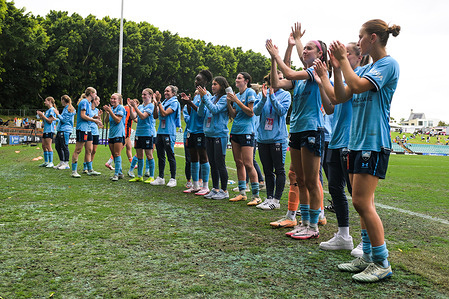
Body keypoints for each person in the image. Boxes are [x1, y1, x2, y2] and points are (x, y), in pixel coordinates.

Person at [329, 19, 400, 282]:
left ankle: (382, 262)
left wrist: (344, 62)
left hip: (373, 142)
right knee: (362, 204)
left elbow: (357, 87)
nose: (357, 42)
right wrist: (337, 68)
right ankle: (368, 257)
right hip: (358, 142)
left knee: (361, 201)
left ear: (372, 38)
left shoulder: (388, 65)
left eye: (360, 37)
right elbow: (340, 96)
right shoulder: (367, 67)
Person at [266, 24, 331, 239]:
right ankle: (304, 223)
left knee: (312, 181)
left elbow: (291, 71)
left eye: (309, 48)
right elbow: (277, 81)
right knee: (300, 180)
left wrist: (279, 53)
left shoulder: (315, 72)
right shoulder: (302, 79)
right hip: (296, 130)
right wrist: (275, 59)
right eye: (305, 48)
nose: (305, 51)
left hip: (312, 130)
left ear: (320, 54)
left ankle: (313, 226)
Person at [314, 42, 368, 255]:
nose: (341, 56)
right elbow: (329, 109)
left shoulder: (360, 78)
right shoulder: (341, 79)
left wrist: (332, 74)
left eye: (346, 54)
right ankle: (344, 235)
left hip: (351, 140)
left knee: (357, 194)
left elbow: (340, 97)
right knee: (335, 188)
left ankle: (367, 240)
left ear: (358, 56)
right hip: (335, 140)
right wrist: (321, 83)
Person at [253, 69, 291, 210]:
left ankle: (276, 200)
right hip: (263, 139)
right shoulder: (261, 95)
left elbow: (281, 111)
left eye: (281, 78)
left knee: (279, 170)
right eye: (276, 78)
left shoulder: (286, 94)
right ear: (269, 81)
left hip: (278, 139)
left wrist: (272, 96)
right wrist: (263, 98)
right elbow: (255, 111)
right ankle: (269, 198)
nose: (279, 81)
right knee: (267, 170)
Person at [227, 72, 261, 206]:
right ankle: (242, 193)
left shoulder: (250, 92)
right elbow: (234, 115)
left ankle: (256, 195)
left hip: (247, 131)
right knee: (238, 162)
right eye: (236, 78)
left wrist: (236, 101)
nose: (236, 80)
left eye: (239, 78)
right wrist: (229, 103)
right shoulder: (238, 95)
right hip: (235, 131)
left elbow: (250, 112)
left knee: (248, 163)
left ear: (246, 81)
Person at [197, 76, 231, 200]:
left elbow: (215, 110)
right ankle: (215, 188)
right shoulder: (211, 98)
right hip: (209, 134)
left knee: (220, 163)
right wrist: (202, 100)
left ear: (222, 86)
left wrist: (205, 97)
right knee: (213, 163)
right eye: (212, 84)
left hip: (219, 135)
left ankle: (224, 190)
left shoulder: (223, 98)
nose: (212, 86)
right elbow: (201, 114)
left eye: (215, 84)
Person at [181, 69, 213, 196]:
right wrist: (188, 103)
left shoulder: (207, 95)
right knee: (193, 158)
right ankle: (195, 185)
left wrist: (190, 103)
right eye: (195, 79)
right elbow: (191, 113)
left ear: (205, 81)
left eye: (198, 79)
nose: (196, 81)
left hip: (201, 131)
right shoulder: (196, 96)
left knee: (203, 158)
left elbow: (202, 114)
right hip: (191, 130)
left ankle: (205, 186)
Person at [151, 85, 181, 187]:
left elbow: (164, 114)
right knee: (160, 155)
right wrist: (156, 104)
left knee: (170, 155)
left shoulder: (174, 103)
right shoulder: (163, 102)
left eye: (168, 91)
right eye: (164, 91)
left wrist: (158, 102)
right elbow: (155, 116)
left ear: (173, 93)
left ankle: (173, 178)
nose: (165, 93)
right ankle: (161, 177)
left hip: (169, 132)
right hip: (160, 131)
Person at [71, 87, 102, 178]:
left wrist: (97, 118)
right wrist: (94, 120)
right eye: (95, 93)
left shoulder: (88, 103)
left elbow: (90, 115)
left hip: (88, 130)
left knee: (89, 150)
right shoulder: (84, 102)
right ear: (91, 93)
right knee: (78, 150)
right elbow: (83, 115)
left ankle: (90, 169)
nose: (96, 95)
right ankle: (74, 171)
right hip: (82, 129)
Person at [127, 89, 156, 182]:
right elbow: (133, 117)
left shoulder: (151, 106)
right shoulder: (140, 106)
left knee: (149, 155)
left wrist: (135, 107)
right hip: (139, 133)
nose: (143, 96)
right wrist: (131, 108)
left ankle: (151, 176)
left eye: (145, 94)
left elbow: (143, 116)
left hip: (147, 133)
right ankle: (139, 176)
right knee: (139, 155)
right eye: (142, 94)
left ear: (150, 96)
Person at [103, 93, 127, 181]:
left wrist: (111, 111)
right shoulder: (112, 109)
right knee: (114, 154)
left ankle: (116, 174)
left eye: (114, 99)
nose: (112, 100)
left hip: (119, 134)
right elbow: (106, 121)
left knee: (117, 154)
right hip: (112, 134)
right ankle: (120, 172)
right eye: (111, 98)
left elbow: (117, 120)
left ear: (119, 100)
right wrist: (108, 112)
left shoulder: (120, 108)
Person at [53, 95, 76, 170]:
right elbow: (62, 119)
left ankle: (66, 163)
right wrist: (56, 119)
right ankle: (61, 162)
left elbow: (64, 120)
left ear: (63, 100)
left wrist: (57, 114)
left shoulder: (69, 109)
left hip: (65, 130)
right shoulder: (65, 109)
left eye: (61, 100)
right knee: (57, 146)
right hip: (60, 130)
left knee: (64, 146)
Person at [83, 96, 102, 174]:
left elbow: (98, 121)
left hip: (95, 132)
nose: (99, 102)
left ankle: (90, 166)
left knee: (94, 151)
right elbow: (86, 117)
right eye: (98, 101)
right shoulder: (88, 108)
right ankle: (85, 167)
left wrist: (99, 117)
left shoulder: (97, 110)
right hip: (88, 130)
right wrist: (93, 118)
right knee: (88, 150)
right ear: (94, 100)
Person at [36, 96, 57, 168]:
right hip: (45, 130)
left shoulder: (52, 110)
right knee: (43, 146)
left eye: (46, 101)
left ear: (50, 101)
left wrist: (43, 115)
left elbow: (50, 121)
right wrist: (41, 117)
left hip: (49, 130)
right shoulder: (48, 111)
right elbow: (45, 122)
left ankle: (51, 162)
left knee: (48, 146)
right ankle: (46, 162)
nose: (44, 102)